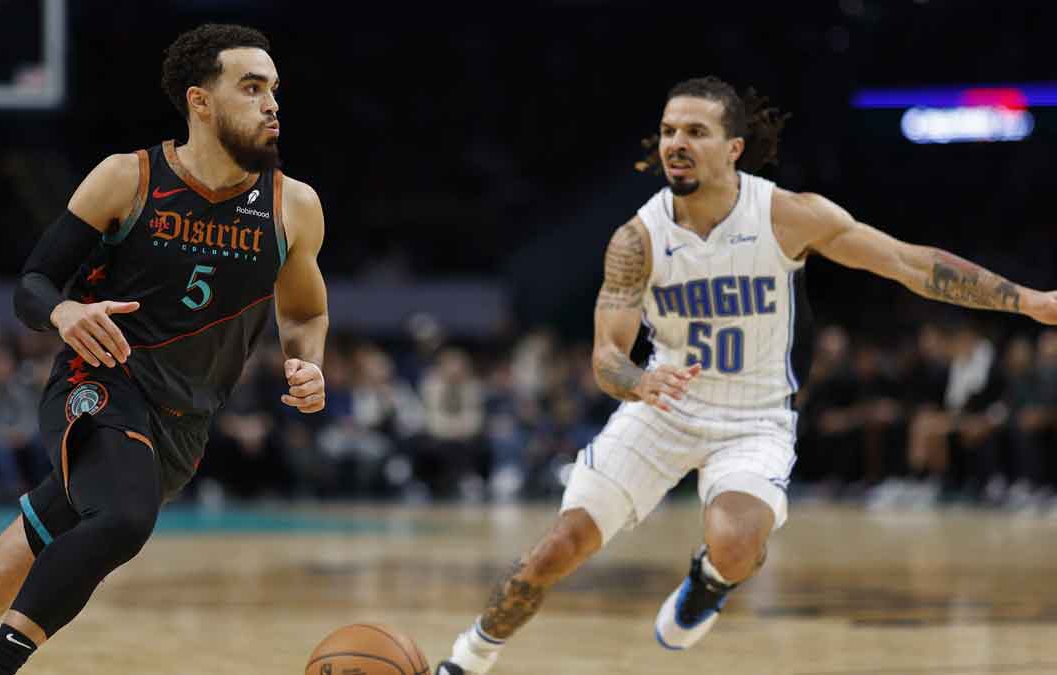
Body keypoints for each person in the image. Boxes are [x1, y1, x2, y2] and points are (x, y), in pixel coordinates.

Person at [434, 75, 1057, 675]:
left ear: (733, 149)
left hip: (754, 419)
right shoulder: (637, 239)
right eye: (668, 129)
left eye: (696, 130)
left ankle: (710, 581)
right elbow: (605, 355)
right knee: (557, 549)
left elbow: (908, 264)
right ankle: (467, 657)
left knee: (735, 544)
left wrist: (1028, 300)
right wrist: (635, 381)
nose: (676, 142)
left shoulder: (786, 215)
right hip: (661, 411)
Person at [0, 23, 328, 675]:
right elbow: (32, 285)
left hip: (179, 429)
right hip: (98, 386)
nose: (272, 102)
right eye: (251, 87)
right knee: (126, 517)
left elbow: (305, 309)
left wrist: (308, 359)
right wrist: (65, 309)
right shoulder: (127, 179)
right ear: (200, 101)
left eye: (274, 88)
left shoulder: (294, 207)